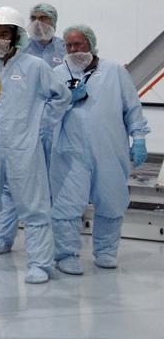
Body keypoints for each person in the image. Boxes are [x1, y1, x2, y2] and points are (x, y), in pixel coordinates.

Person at [0, 7, 68, 283]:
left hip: (24, 145)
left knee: (33, 205)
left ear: (16, 37)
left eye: (4, 34)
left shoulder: (35, 67)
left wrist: (41, 124)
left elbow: (61, 96)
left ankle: (40, 263)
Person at [48, 24, 149, 273]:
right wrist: (66, 100)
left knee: (111, 200)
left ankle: (105, 251)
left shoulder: (114, 71)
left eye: (78, 44)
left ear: (90, 44)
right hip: (69, 152)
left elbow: (132, 107)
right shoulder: (57, 74)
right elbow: (46, 111)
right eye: (69, 45)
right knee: (67, 204)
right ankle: (66, 255)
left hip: (109, 150)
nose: (73, 50)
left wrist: (139, 138)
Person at [25, 3, 64, 68]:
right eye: (33, 18)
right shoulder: (22, 48)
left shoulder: (64, 48)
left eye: (43, 18)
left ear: (53, 21)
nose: (37, 23)